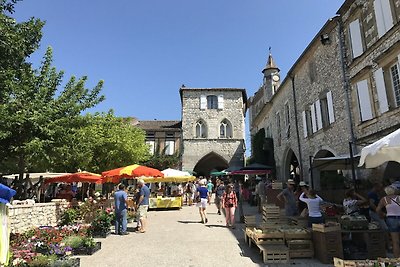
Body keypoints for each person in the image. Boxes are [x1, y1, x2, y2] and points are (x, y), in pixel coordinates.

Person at [376, 185, 400, 257]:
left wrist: (382, 215)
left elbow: (377, 210)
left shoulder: (384, 199)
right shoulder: (399, 197)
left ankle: (397, 260)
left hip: (391, 219)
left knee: (395, 242)